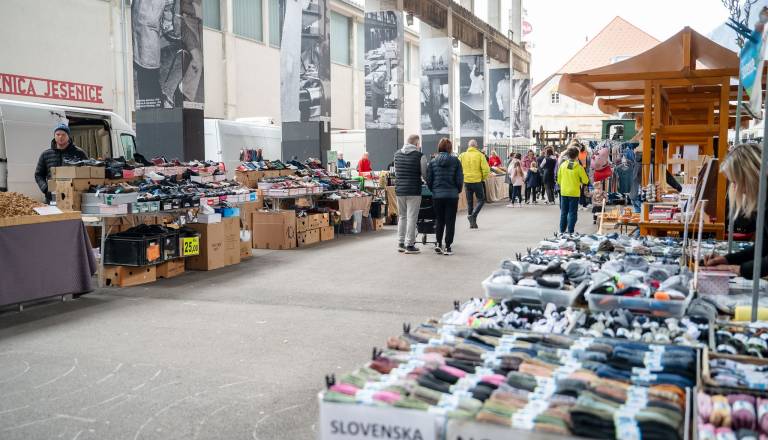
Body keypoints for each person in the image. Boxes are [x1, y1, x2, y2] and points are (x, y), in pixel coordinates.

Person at [704, 143, 767, 278]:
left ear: (750, 175)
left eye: (736, 181)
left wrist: (738, 269)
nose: (736, 189)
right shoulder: (762, 199)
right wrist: (727, 259)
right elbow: (763, 248)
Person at [426, 138, 463, 255]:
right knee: (450, 221)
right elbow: (459, 179)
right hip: (452, 195)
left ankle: (438, 243)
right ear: (450, 148)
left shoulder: (433, 162)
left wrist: (434, 190)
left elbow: (429, 180)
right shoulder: (456, 161)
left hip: (437, 196)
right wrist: (457, 190)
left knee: (439, 220)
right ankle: (448, 247)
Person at [34, 123, 88, 202]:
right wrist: (45, 189)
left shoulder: (79, 153)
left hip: (74, 196)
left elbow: (87, 172)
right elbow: (38, 175)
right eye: (58, 134)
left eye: (63, 134)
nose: (60, 137)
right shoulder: (46, 154)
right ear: (54, 136)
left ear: (68, 136)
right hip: (52, 197)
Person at [394, 134, 428, 254]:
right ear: (416, 143)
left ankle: (401, 243)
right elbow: (424, 174)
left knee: (402, 216)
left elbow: (397, 172)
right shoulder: (420, 156)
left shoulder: (397, 154)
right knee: (412, 218)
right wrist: (427, 182)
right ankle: (409, 245)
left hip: (400, 190)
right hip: (413, 190)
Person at [557, 147, 589, 234]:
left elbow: (559, 180)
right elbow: (586, 180)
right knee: (572, 213)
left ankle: (562, 231)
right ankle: (570, 231)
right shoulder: (579, 167)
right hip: (574, 193)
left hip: (564, 192)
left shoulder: (562, 166)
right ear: (577, 156)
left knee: (564, 212)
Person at [459, 139, 490, 229]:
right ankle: (473, 216)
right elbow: (486, 170)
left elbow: (458, 168)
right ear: (476, 146)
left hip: (466, 181)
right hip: (477, 181)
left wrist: (463, 177)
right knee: (481, 200)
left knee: (470, 203)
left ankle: (472, 223)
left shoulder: (462, 155)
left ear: (468, 146)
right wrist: (482, 178)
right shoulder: (480, 155)